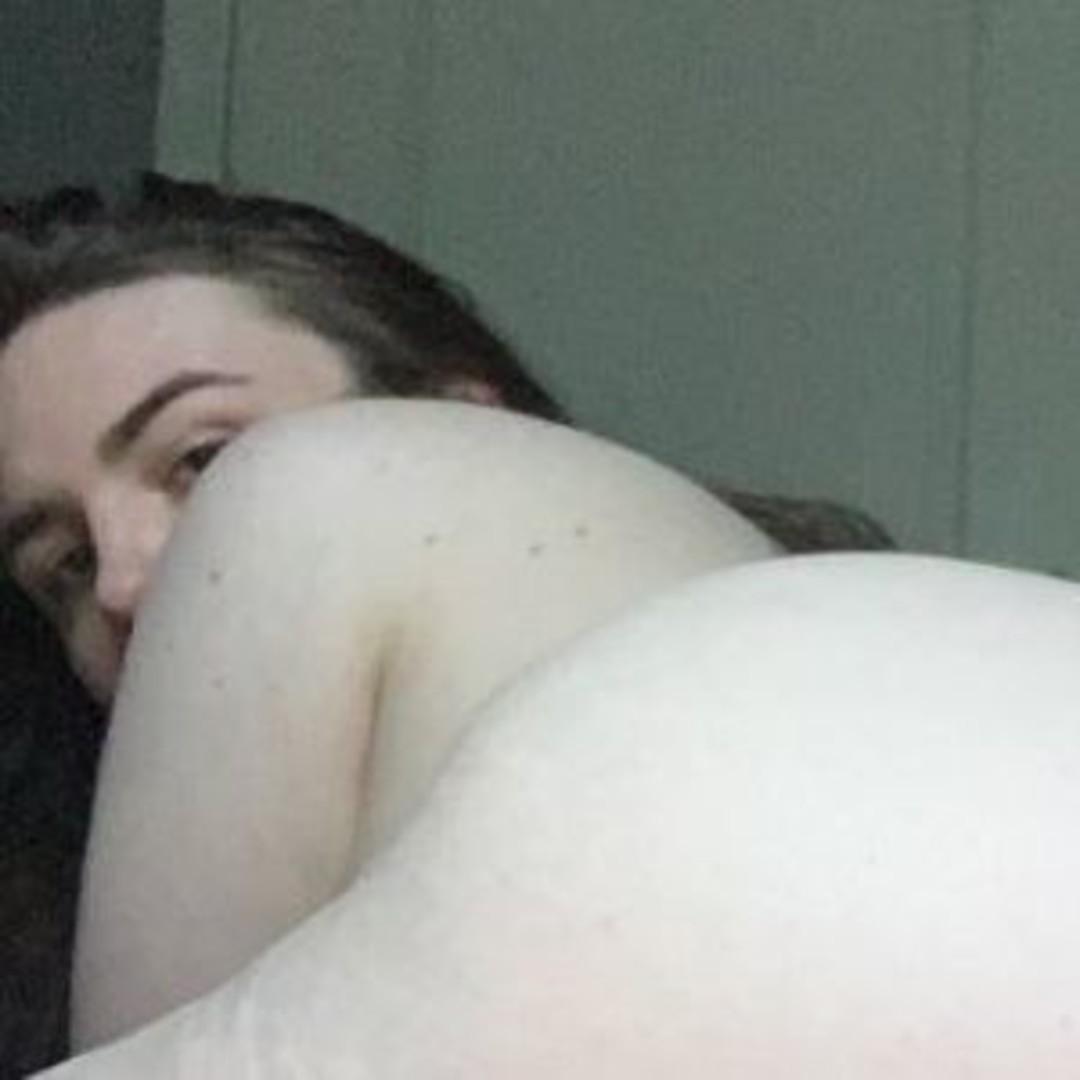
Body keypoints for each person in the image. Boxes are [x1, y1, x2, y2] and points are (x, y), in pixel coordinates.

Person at [6, 179, 1078, 1075]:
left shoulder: (332, 490)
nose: (123, 582)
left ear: (462, 419)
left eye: (199, 457)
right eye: (63, 564)